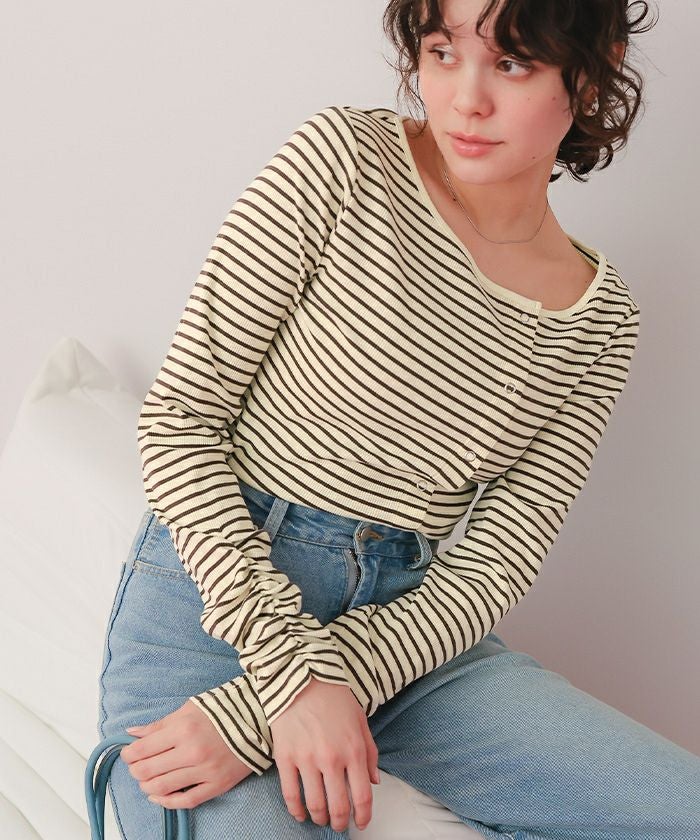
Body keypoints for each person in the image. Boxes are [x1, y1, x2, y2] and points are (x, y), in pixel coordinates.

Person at [97, 1, 700, 838]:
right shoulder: (343, 161)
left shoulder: (598, 321)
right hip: (212, 610)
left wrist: (277, 705)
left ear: (593, 72)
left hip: (404, 644)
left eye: (513, 63)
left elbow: (491, 568)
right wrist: (289, 681)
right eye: (442, 52)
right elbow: (180, 422)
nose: (465, 99)